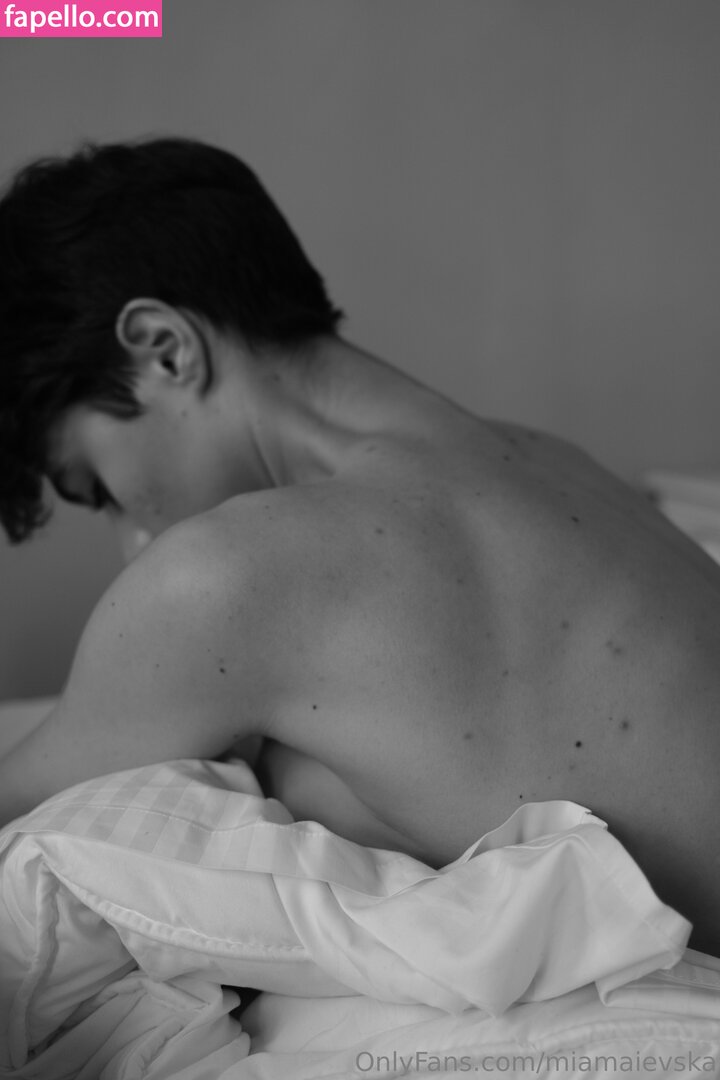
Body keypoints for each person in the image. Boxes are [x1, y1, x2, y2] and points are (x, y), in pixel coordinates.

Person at [1, 138, 719, 954]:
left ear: (165, 348)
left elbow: (17, 801)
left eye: (96, 485)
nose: (133, 536)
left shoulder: (221, 576)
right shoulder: (559, 462)